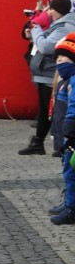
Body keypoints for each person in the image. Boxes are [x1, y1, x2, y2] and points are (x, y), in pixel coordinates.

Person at [19, 0, 75, 155]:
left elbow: (46, 46)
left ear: (59, 10)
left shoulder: (65, 26)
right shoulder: (59, 24)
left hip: (53, 73)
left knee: (56, 110)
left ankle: (61, 144)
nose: (49, 12)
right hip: (47, 72)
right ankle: (39, 142)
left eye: (52, 9)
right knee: (45, 110)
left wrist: (36, 29)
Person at [50, 33, 75, 224]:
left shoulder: (73, 81)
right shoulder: (64, 82)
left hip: (71, 135)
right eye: (57, 59)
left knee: (71, 171)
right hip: (64, 136)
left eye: (63, 58)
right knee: (67, 170)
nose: (59, 63)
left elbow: (72, 108)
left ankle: (71, 207)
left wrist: (70, 130)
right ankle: (68, 202)